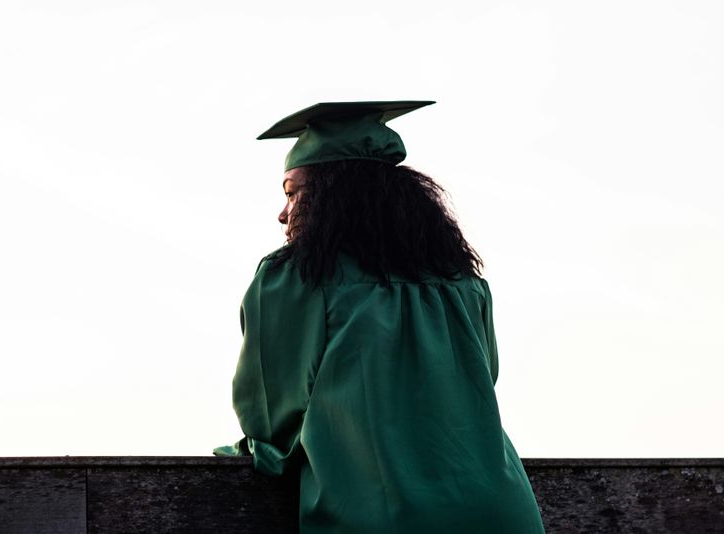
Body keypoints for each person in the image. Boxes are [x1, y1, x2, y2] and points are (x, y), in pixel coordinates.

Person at [215, 101, 545, 533]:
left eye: (292, 193)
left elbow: (272, 420)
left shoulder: (296, 279)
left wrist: (251, 451)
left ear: (329, 198)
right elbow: (480, 385)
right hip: (501, 513)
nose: (283, 212)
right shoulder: (462, 281)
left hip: (380, 517)